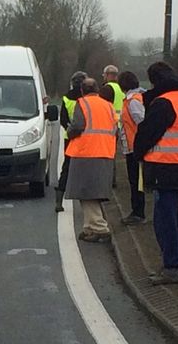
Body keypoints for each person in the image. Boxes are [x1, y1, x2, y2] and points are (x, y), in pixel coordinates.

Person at [133, 61, 178, 285]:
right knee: (175, 219)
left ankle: (172, 266)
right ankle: (175, 262)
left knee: (165, 221)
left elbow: (146, 134)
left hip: (166, 169)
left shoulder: (164, 103)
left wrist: (138, 154)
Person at [65, 78, 117, 243]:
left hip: (86, 152)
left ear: (82, 91)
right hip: (105, 151)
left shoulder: (83, 103)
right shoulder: (107, 105)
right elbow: (115, 126)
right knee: (92, 191)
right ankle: (89, 227)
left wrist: (69, 132)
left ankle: (99, 227)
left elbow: (78, 126)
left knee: (87, 192)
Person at [56, 71, 88, 213]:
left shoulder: (66, 98)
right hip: (86, 139)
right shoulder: (87, 99)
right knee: (87, 169)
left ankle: (58, 202)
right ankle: (87, 202)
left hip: (70, 139)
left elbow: (62, 119)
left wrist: (70, 130)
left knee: (67, 169)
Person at [118, 71, 146, 225]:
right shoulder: (134, 99)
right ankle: (136, 211)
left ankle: (138, 213)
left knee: (136, 182)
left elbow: (141, 122)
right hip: (132, 145)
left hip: (135, 147)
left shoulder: (133, 101)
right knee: (135, 181)